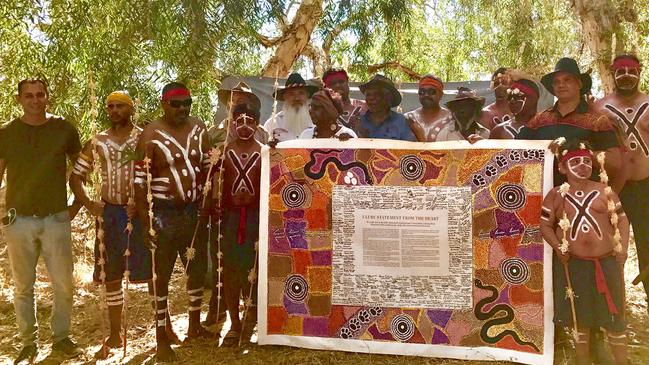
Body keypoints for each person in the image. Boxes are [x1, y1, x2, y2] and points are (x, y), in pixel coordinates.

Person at [0, 79, 83, 364]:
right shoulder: (7, 133)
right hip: (19, 220)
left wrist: (77, 204)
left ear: (48, 97)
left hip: (55, 218)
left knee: (64, 284)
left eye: (40, 95)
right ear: (19, 99)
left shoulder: (64, 129)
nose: (35, 100)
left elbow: (80, 169)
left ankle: (61, 337)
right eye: (29, 96)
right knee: (23, 286)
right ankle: (27, 343)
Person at [69, 91, 155, 356]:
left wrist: (142, 206)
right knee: (111, 274)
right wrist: (89, 203)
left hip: (140, 213)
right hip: (109, 214)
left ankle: (163, 328)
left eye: (120, 106)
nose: (114, 110)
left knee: (153, 269)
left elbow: (156, 172)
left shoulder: (143, 138)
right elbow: (76, 177)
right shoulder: (97, 141)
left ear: (131, 109)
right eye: (110, 106)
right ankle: (115, 334)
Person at [134, 82, 212, 361]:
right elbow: (140, 184)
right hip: (163, 214)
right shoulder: (150, 134)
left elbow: (206, 167)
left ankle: (194, 325)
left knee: (196, 268)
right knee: (161, 275)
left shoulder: (199, 128)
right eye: (176, 103)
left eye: (187, 103)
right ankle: (161, 337)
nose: (182, 108)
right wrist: (147, 224)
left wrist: (206, 202)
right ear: (163, 103)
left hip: (193, 212)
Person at [540, 140, 630, 365]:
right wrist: (558, 248)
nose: (583, 166)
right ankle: (581, 360)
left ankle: (622, 361)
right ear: (562, 168)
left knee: (615, 314)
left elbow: (622, 220)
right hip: (575, 265)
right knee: (579, 316)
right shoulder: (555, 195)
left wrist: (624, 250)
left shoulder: (604, 190)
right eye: (575, 161)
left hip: (607, 262)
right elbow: (544, 226)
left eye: (587, 162)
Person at [517, 57, 623, 188]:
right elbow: (515, 147)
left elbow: (615, 162)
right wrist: (485, 145)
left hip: (583, 200)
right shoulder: (539, 119)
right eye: (557, 82)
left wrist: (578, 150)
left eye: (567, 80)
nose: (561, 85)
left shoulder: (598, 120)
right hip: (544, 197)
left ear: (579, 84)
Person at [595, 54, 649, 306]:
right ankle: (611, 309)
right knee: (609, 248)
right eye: (620, 71)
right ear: (613, 75)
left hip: (647, 186)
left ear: (639, 73)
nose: (626, 75)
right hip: (615, 187)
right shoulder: (599, 107)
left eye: (631, 70)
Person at [216, 104, 263, 346]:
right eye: (239, 121)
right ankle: (234, 324)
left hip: (257, 218)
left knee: (255, 271)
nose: (244, 126)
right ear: (232, 123)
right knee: (232, 271)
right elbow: (213, 185)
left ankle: (252, 318)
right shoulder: (223, 152)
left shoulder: (265, 152)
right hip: (232, 219)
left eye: (250, 120)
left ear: (258, 123)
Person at [357, 74, 416, 141]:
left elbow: (409, 148)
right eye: (368, 95)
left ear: (388, 98)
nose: (371, 98)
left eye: (376, 94)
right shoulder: (358, 121)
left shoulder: (400, 121)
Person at [208, 82, 268, 146]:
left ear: (250, 106)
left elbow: (270, 154)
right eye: (231, 100)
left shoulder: (261, 133)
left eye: (240, 101)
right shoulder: (214, 132)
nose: (233, 104)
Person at [263, 73, 318, 142]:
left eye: (301, 93)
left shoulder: (317, 121)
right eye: (291, 94)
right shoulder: (272, 124)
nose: (297, 98)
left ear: (307, 96)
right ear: (284, 97)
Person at [405, 74, 451, 142]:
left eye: (432, 92)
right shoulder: (407, 118)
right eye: (422, 92)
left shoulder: (452, 119)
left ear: (441, 95)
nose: (426, 95)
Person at [322, 68, 367, 132]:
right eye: (332, 83)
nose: (337, 85)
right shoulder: (321, 111)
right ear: (325, 88)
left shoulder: (365, 106)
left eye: (341, 81)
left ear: (347, 83)